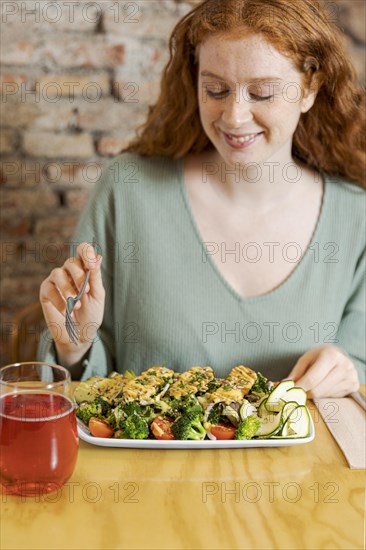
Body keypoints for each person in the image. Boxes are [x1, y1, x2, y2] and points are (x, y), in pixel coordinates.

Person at [38, 0, 365, 398]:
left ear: (310, 89)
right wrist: (74, 347)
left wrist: (346, 367)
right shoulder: (127, 191)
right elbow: (82, 377)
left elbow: (358, 363)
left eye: (261, 93)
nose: (234, 116)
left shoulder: (355, 215)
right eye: (216, 90)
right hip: (144, 461)